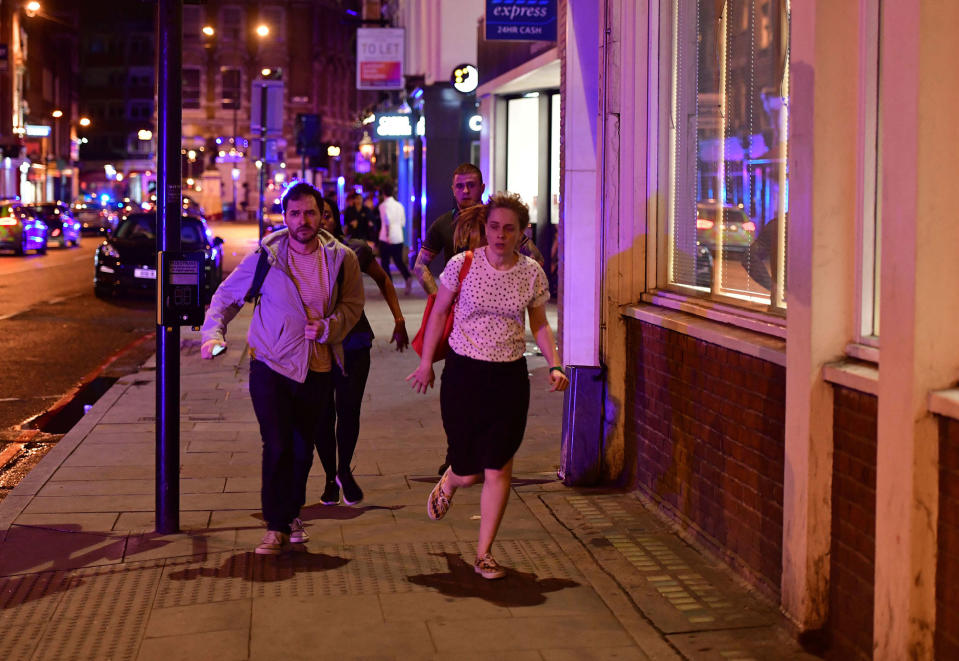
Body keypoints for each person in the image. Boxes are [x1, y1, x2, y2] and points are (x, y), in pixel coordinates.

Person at [406, 191, 569, 580]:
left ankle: (484, 554)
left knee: (498, 466)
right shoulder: (463, 265)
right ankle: (452, 480)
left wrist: (555, 364)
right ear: (485, 228)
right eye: (494, 227)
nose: (500, 235)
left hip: (508, 378)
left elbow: (540, 323)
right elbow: (440, 310)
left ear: (521, 232)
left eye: (509, 229)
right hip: (464, 374)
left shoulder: (531, 272)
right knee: (468, 470)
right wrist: (427, 362)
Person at [200, 182, 364, 555]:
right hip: (270, 364)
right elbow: (226, 296)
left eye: (309, 212)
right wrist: (213, 334)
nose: (302, 221)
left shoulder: (342, 259)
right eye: (294, 213)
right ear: (284, 216)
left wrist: (330, 326)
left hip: (317, 366)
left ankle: (291, 515)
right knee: (276, 444)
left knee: (303, 448)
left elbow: (353, 306)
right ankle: (275, 526)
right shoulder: (266, 257)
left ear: (322, 214)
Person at [413, 164, 544, 476]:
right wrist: (440, 296)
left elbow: (534, 258)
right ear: (452, 189)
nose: (465, 192)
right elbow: (421, 265)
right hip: (460, 313)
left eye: (471, 185)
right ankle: (457, 454)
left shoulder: (496, 222)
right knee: (458, 388)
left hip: (498, 323)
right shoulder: (443, 224)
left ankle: (482, 454)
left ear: (482, 185)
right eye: (459, 186)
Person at [313, 197, 409, 507]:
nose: (321, 221)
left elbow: (383, 279)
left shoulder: (355, 250)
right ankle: (330, 476)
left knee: (349, 409)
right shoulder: (300, 253)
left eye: (326, 215)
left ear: (335, 219)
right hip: (317, 345)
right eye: (318, 216)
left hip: (355, 342)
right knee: (322, 414)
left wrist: (399, 319)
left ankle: (344, 469)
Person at [378, 182, 412, 294]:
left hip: (386, 238)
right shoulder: (400, 206)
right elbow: (403, 222)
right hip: (398, 237)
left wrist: (387, 236)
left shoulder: (383, 206)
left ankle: (389, 286)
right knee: (398, 261)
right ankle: (407, 277)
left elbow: (386, 221)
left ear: (383, 193)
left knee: (385, 262)